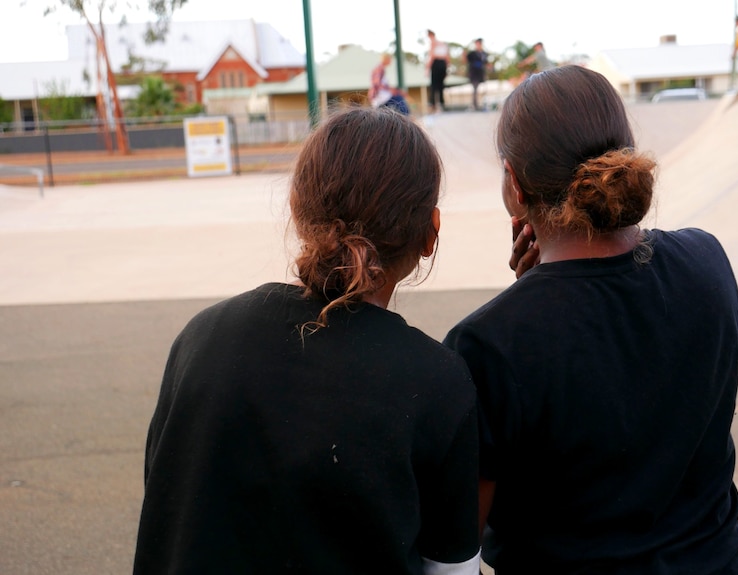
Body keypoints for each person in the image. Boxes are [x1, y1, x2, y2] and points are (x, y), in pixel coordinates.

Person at [133, 107, 481, 575]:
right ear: (429, 234)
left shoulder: (202, 338)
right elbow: (451, 568)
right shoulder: (438, 381)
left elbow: (165, 498)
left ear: (298, 210)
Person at [444, 65, 738, 574]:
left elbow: (460, 542)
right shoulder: (708, 264)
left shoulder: (490, 343)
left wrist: (529, 303)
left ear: (515, 185)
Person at [426, 29, 450, 113]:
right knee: (441, 85)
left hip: (436, 63)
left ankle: (433, 104)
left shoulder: (433, 43)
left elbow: (432, 56)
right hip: (443, 64)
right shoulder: (443, 44)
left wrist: (427, 68)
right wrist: (447, 68)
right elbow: (447, 57)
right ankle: (441, 104)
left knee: (434, 85)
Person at [465, 37, 489, 111]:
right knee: (475, 89)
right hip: (474, 74)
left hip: (481, 73)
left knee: (484, 89)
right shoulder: (472, 54)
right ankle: (475, 105)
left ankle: (484, 104)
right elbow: (466, 60)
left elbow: (486, 63)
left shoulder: (484, 53)